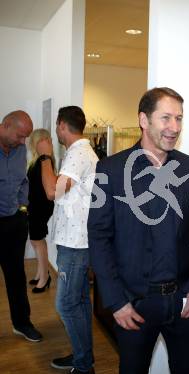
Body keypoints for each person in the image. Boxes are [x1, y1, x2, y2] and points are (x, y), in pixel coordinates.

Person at [88, 87, 189, 374]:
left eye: (179, 119)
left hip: (185, 302)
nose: (174, 127)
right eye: (166, 118)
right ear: (144, 120)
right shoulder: (111, 170)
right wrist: (116, 301)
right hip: (134, 306)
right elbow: (99, 237)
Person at [38, 106, 97, 374]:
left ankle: (84, 365)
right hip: (75, 242)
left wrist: (44, 157)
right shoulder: (79, 152)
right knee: (80, 302)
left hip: (76, 245)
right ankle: (83, 358)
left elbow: (52, 191)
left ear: (62, 125)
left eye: (57, 127)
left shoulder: (80, 153)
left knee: (66, 304)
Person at [0, 110, 43, 342]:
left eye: (26, 137)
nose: (23, 141)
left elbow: (23, 181)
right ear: (5, 126)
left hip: (14, 223)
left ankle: (22, 323)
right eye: (20, 135)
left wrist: (23, 208)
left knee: (16, 277)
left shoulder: (19, 152)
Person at [27, 129, 55, 293]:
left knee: (38, 241)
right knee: (36, 241)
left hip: (40, 206)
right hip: (34, 206)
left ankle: (44, 278)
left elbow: (46, 189)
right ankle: (41, 273)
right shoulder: (38, 161)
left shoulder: (45, 161)